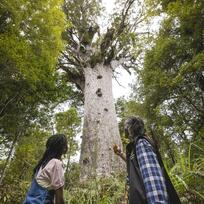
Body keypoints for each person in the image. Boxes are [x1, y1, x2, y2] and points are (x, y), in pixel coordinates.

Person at [113, 116, 181, 204]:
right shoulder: (137, 146)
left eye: (125, 128)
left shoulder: (141, 144)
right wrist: (121, 154)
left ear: (130, 128)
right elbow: (137, 165)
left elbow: (153, 179)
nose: (124, 130)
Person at [23, 134, 68, 204]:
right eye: (65, 144)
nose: (66, 147)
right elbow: (59, 199)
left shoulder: (42, 165)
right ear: (63, 148)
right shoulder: (56, 163)